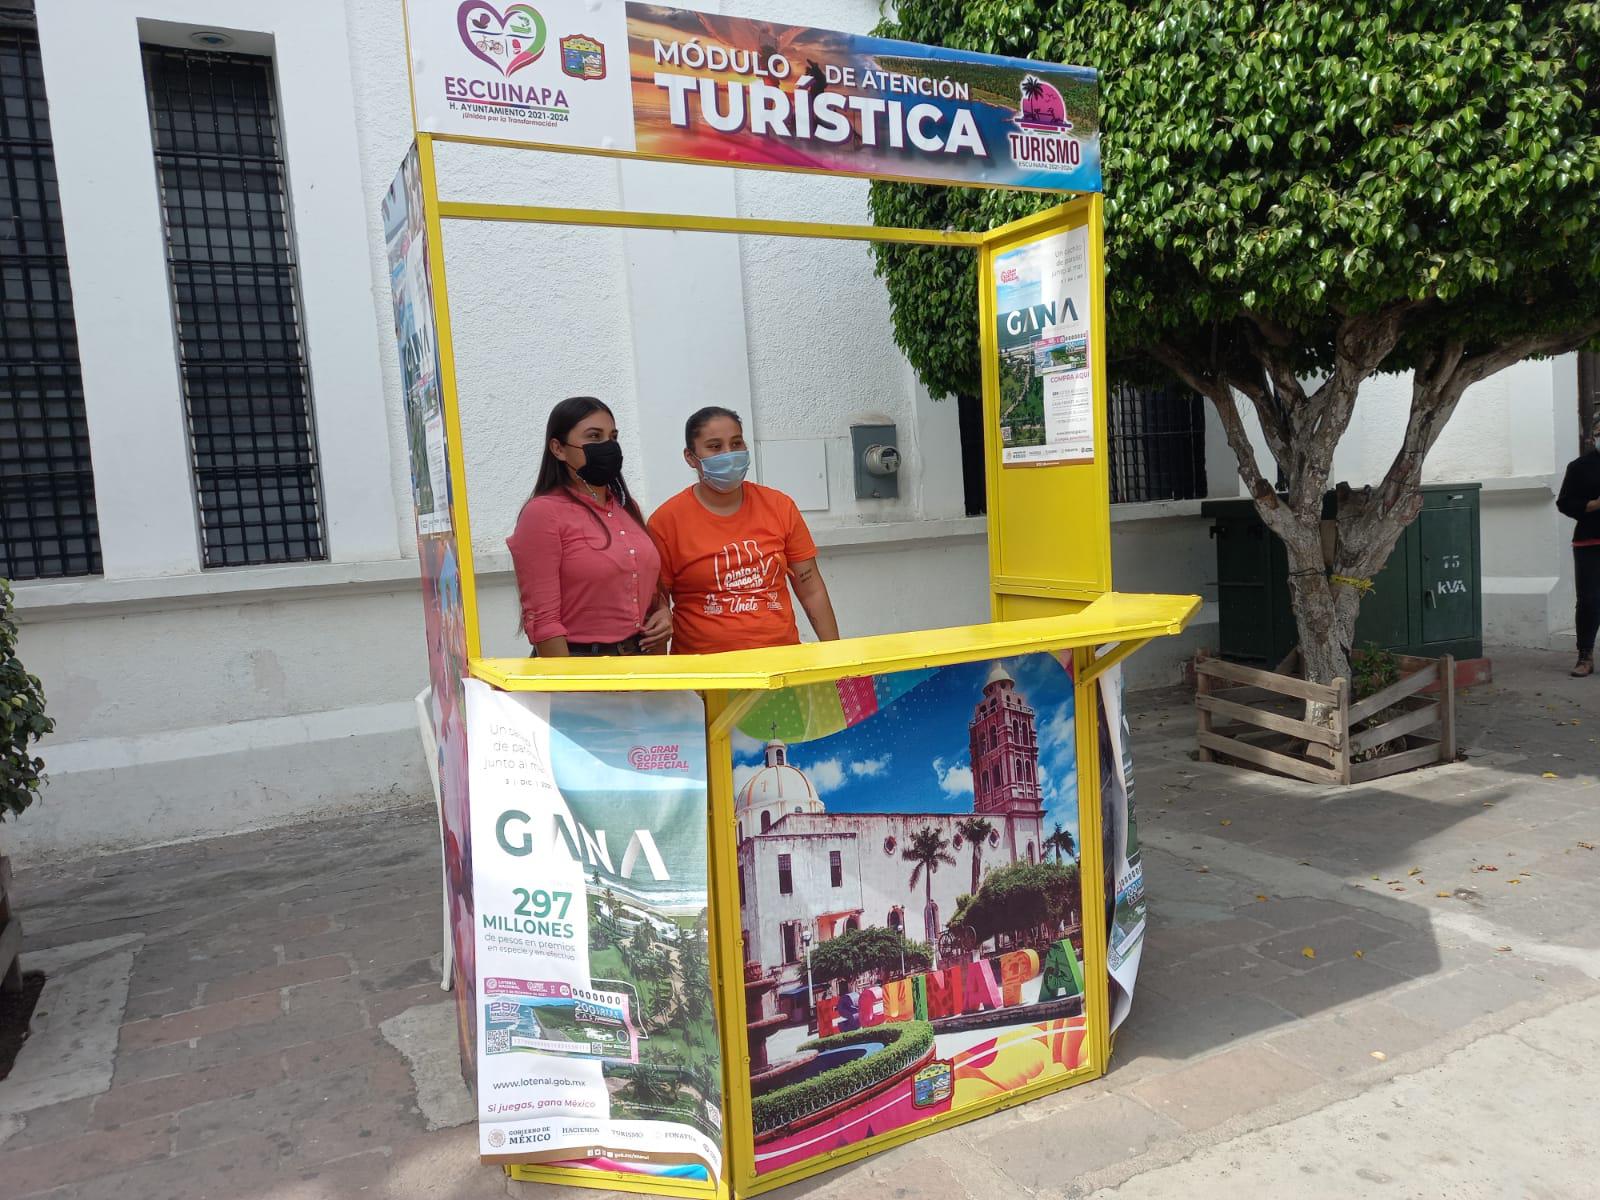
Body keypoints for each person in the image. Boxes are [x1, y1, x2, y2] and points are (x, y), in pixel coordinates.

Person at [648, 406, 841, 654]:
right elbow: (657, 609)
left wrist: (836, 659)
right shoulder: (666, 521)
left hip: (779, 667)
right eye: (715, 447)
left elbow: (811, 589)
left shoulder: (779, 506)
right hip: (704, 674)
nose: (729, 454)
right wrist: (662, 684)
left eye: (736, 443)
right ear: (690, 457)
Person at [507, 397, 671, 656]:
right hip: (582, 666)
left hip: (640, 665)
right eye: (594, 437)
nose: (607, 446)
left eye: (613, 437)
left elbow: (645, 587)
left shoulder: (628, 507)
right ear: (558, 448)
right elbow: (543, 621)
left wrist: (663, 614)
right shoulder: (542, 513)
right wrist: (570, 688)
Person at [1556, 415, 1600, 677]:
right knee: (1589, 600)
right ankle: (1585, 655)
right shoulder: (1580, 467)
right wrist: (1593, 505)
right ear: (1592, 436)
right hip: (1589, 541)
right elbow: (1564, 502)